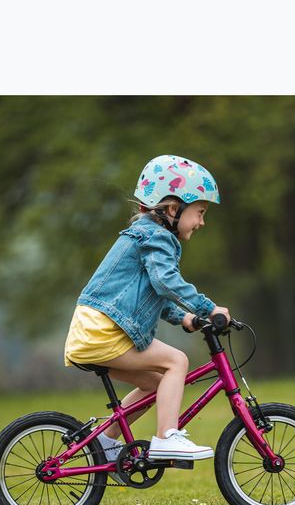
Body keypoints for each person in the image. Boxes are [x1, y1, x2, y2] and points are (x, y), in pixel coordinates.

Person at [64, 154, 230, 466]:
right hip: (104, 332)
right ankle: (168, 437)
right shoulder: (156, 236)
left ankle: (104, 441)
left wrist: (186, 318)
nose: (202, 222)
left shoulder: (148, 234)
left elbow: (154, 292)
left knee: (155, 384)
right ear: (172, 209)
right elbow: (166, 281)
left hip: (94, 331)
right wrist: (207, 308)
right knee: (177, 362)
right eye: (200, 212)